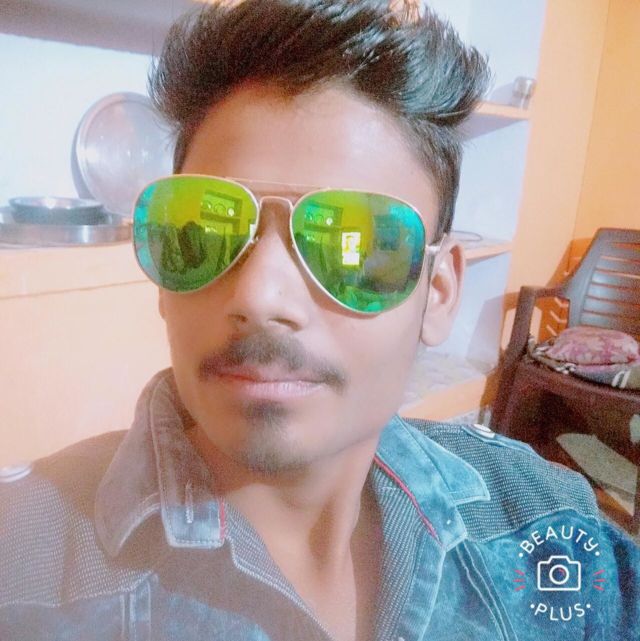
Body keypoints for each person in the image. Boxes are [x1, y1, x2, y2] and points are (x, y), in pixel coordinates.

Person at [1, 1, 639, 639]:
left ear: (439, 293)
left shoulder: (548, 527)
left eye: (352, 247)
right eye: (205, 233)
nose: (260, 295)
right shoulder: (22, 569)